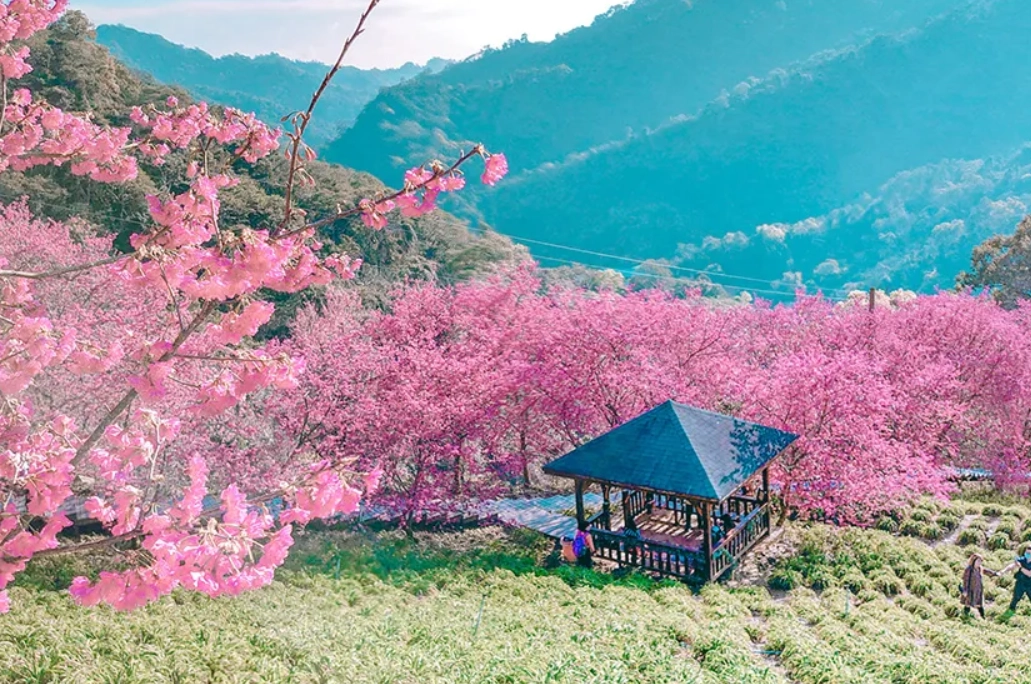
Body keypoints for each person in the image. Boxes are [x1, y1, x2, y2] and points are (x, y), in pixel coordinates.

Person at [994, 545, 1031, 616]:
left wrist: (1020, 567)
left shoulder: (1022, 564)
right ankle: (1011, 610)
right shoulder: (1022, 559)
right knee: (1016, 597)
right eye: (1027, 553)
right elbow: (1012, 565)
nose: (1027, 555)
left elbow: (1029, 574)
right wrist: (1002, 571)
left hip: (1030, 584)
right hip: (1020, 582)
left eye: (1029, 553)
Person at [960, 553, 986, 619]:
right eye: (978, 561)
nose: (979, 563)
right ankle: (965, 616)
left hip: (978, 590)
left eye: (980, 561)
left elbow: (987, 571)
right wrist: (965, 590)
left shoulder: (980, 569)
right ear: (974, 561)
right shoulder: (969, 570)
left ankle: (983, 618)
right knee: (968, 604)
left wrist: (995, 573)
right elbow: (966, 580)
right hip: (970, 590)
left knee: (979, 604)